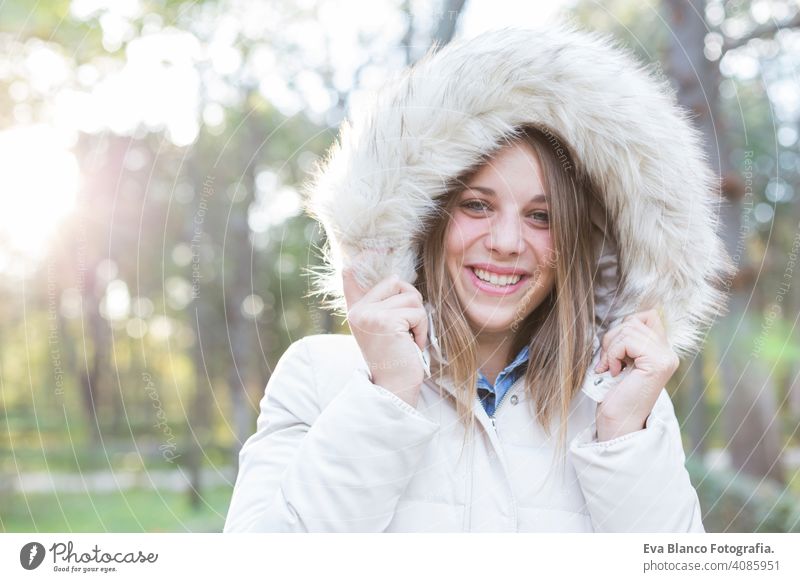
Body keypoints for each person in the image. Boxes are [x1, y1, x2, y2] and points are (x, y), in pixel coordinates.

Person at [223, 22, 735, 533]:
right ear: (428, 222)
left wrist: (622, 435)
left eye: (542, 216)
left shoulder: (625, 403)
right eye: (476, 205)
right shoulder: (320, 375)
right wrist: (388, 394)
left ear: (579, 244)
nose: (508, 242)